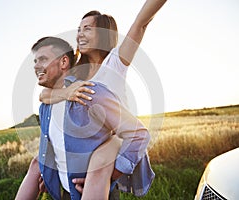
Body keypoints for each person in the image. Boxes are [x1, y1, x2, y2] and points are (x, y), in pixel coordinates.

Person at [16, 0, 167, 199]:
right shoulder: (75, 74)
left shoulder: (115, 62)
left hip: (115, 140)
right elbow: (45, 95)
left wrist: (111, 174)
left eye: (87, 28)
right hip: (86, 147)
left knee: (100, 162)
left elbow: (141, 23)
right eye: (79, 29)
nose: (79, 34)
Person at [23, 36, 149, 200]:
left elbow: (138, 134)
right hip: (67, 194)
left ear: (63, 62)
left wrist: (110, 175)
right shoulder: (45, 107)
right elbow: (55, 148)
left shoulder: (90, 93)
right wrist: (49, 176)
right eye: (35, 61)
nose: (36, 66)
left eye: (43, 59)